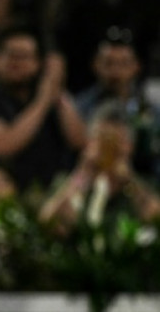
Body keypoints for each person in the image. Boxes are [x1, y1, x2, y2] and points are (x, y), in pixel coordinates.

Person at [0, 25, 87, 203]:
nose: (15, 62)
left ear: (39, 63)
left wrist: (57, 87)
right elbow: (2, 147)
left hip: (46, 207)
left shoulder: (53, 102)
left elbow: (80, 141)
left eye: (24, 56)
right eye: (9, 54)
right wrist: (43, 99)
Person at [39, 101, 160, 236]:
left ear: (130, 146)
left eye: (118, 141)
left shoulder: (147, 185)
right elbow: (48, 225)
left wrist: (130, 181)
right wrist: (82, 175)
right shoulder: (68, 182)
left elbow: (156, 221)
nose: (109, 147)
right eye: (101, 139)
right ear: (89, 142)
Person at [74, 25, 160, 185]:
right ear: (95, 65)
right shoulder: (78, 108)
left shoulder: (152, 112)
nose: (115, 72)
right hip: (86, 183)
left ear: (136, 67)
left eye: (123, 64)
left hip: (140, 187)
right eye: (108, 64)